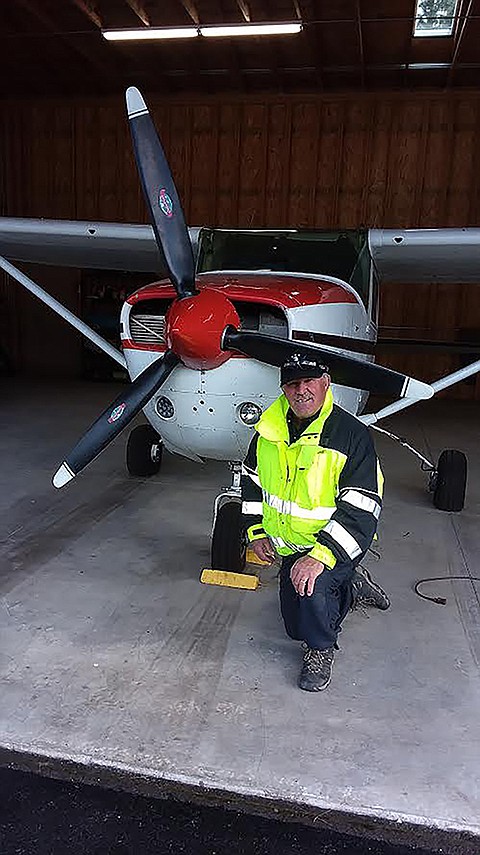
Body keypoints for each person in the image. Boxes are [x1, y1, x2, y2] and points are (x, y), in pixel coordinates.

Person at [241, 352, 390, 693]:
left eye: (309, 382)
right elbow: (251, 482)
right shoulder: (268, 432)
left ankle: (321, 649)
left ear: (326, 383)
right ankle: (352, 587)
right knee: (293, 625)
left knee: (311, 591)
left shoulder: (351, 435)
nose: (301, 391)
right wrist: (256, 532)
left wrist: (320, 557)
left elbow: (362, 509)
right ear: (283, 388)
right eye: (293, 383)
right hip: (291, 544)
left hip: (334, 545)